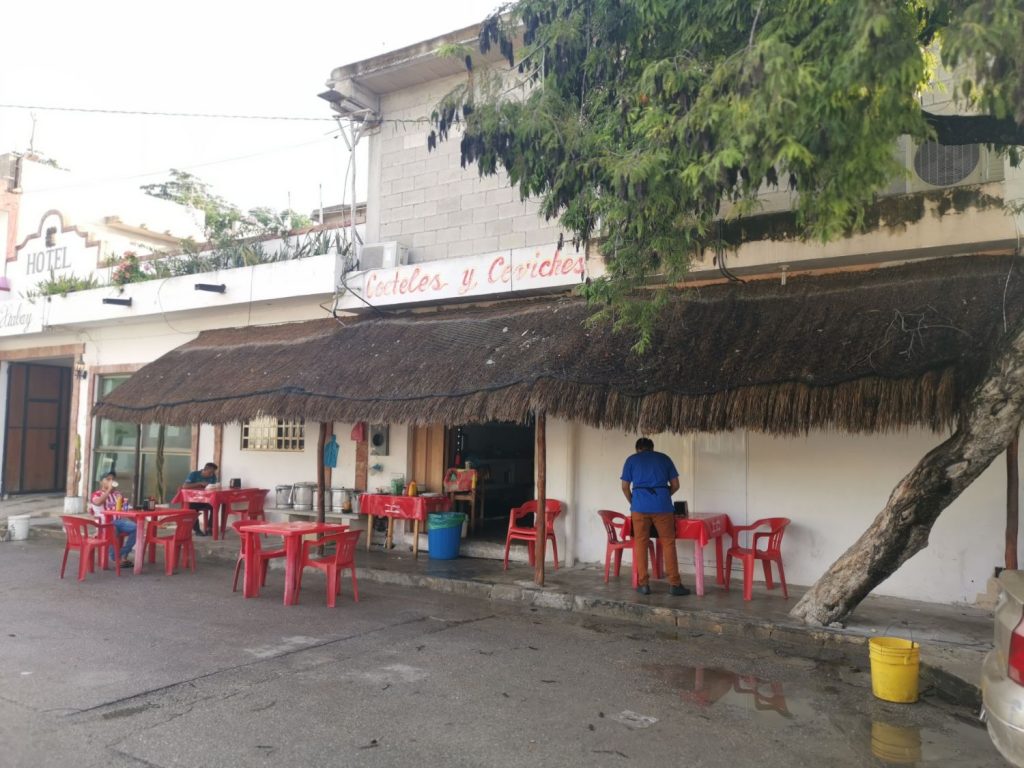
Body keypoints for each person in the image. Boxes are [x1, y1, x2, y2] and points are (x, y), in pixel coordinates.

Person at [620, 437, 690, 596]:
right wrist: (664, 495)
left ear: (637, 449)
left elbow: (624, 487)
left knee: (641, 544)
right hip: (663, 507)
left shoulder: (631, 460)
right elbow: (676, 485)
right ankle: (675, 584)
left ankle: (643, 584)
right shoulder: (664, 458)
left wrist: (634, 501)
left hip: (639, 508)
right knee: (668, 544)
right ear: (652, 448)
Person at [89, 472, 137, 568]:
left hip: (119, 522)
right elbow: (98, 502)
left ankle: (120, 555)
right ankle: (119, 557)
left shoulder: (117, 494)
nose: (111, 481)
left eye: (112, 479)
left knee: (137, 528)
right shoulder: (96, 494)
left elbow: (126, 509)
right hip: (104, 524)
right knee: (112, 528)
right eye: (108, 479)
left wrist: (136, 520)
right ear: (101, 482)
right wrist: (109, 490)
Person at [182, 462, 219, 535]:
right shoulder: (194, 474)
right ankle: (197, 530)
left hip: (206, 500)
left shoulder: (213, 476)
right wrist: (199, 483)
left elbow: (212, 487)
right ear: (205, 469)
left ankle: (209, 528)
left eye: (213, 472)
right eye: (210, 472)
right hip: (194, 499)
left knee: (216, 505)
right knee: (192, 508)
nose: (211, 474)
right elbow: (185, 486)